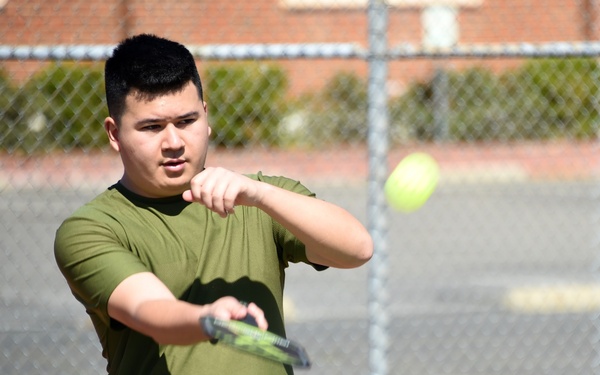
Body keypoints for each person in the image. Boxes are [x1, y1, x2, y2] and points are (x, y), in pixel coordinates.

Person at [54, 33, 373, 375]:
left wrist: (260, 195)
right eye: (152, 127)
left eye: (187, 121)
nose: (174, 142)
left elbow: (357, 249)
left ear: (206, 117)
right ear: (115, 134)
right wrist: (207, 320)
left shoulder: (258, 197)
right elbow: (150, 308)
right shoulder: (90, 230)